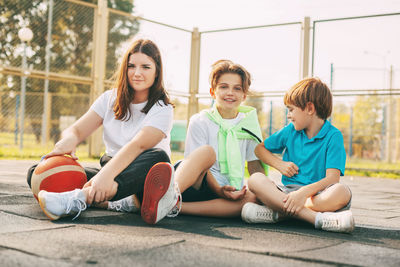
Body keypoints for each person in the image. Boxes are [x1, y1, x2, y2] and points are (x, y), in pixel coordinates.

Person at [26, 38, 176, 220]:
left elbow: (138, 146)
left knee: (158, 157)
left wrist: (105, 177)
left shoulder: (163, 108)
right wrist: (68, 141)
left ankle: (80, 198)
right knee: (39, 172)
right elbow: (77, 130)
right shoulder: (109, 98)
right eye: (131, 66)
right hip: (112, 169)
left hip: (141, 177)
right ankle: (117, 201)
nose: (137, 73)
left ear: (156, 71)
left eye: (145, 67)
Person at [140, 60, 266, 224]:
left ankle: (172, 206)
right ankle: (170, 194)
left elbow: (254, 165)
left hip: (227, 193)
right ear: (212, 92)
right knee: (207, 152)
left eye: (237, 88)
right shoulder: (200, 120)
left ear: (244, 95)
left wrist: (264, 190)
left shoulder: (248, 124)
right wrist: (219, 190)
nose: (230, 93)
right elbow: (196, 164)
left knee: (252, 199)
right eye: (223, 87)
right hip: (194, 182)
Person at [241, 77, 354, 233]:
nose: (288, 115)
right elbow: (259, 149)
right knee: (254, 180)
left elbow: (332, 179)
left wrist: (302, 194)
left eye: (291, 109)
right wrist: (279, 164)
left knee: (341, 192)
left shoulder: (334, 136)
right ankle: (317, 219)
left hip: (316, 197)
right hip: (287, 193)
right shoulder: (290, 130)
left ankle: (277, 214)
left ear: (309, 108)